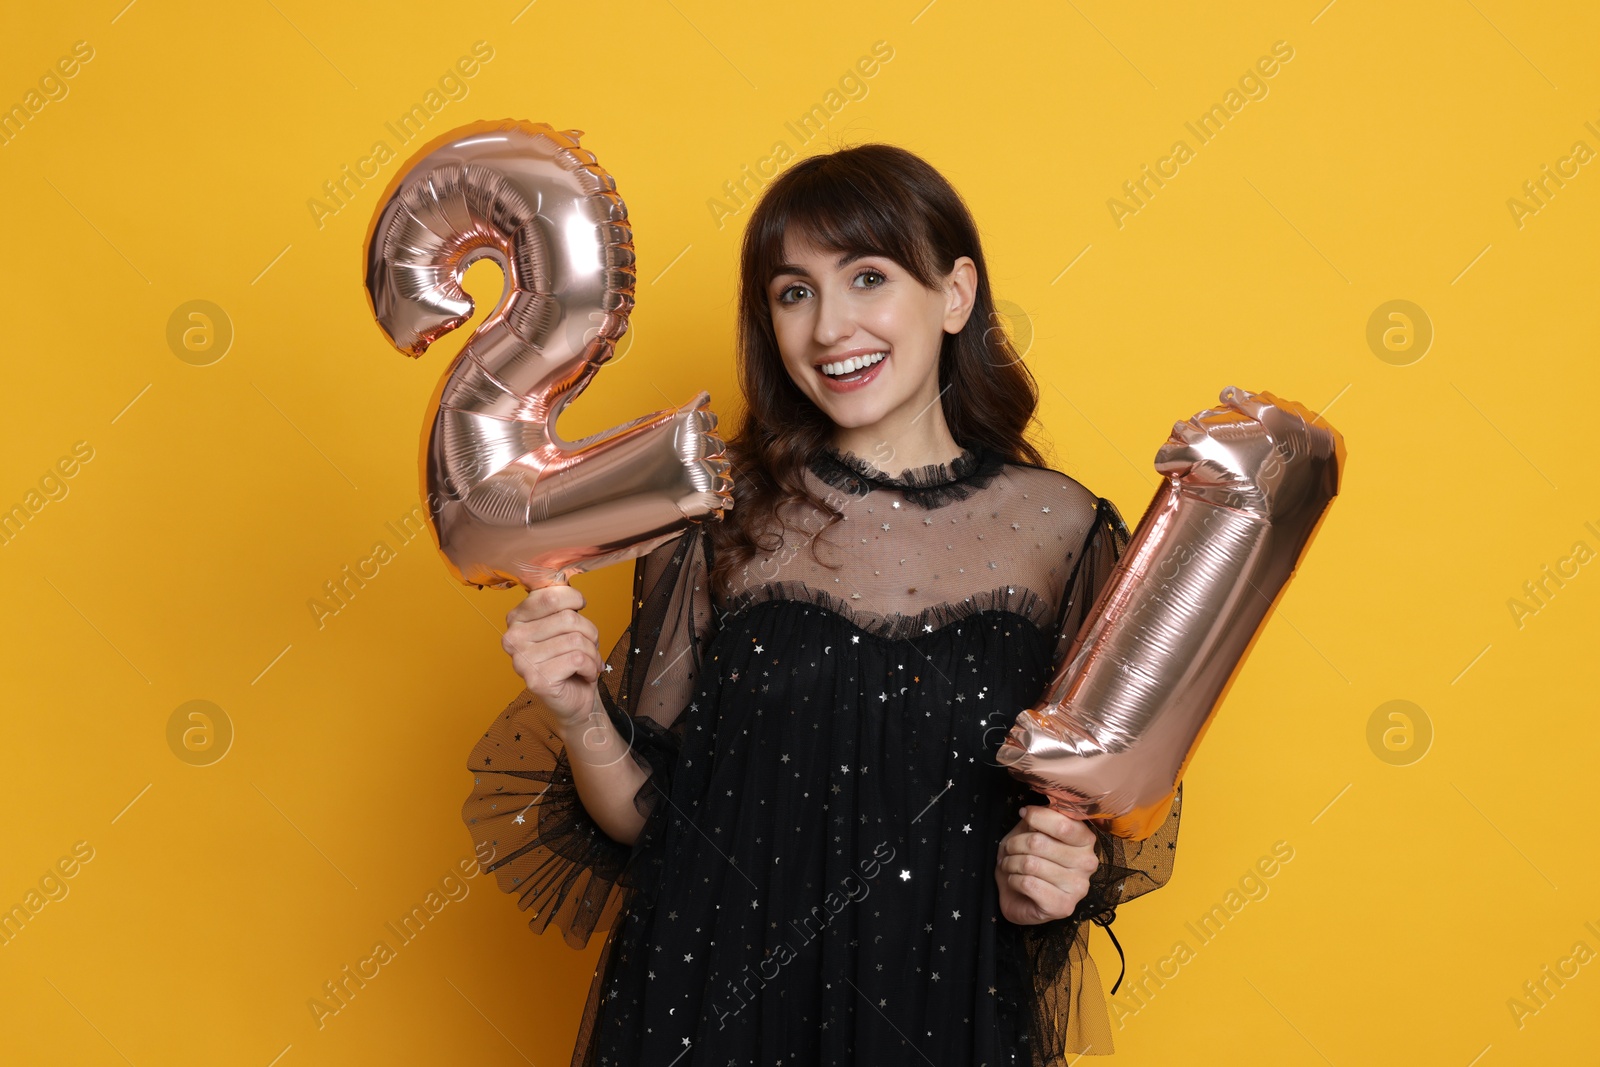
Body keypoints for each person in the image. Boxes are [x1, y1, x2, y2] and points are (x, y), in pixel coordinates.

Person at [461, 142, 1182, 1065]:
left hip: (940, 1007)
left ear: (955, 295)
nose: (830, 326)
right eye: (793, 291)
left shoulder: (1063, 531)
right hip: (712, 1005)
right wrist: (575, 709)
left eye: (868, 277)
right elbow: (652, 821)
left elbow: (1086, 809)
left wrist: (1058, 874)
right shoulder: (720, 518)